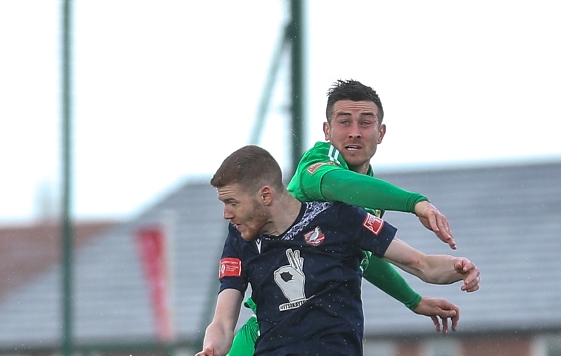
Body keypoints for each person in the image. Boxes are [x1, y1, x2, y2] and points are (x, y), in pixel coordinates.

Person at [226, 79, 466, 355]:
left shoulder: (367, 194)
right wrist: (416, 203)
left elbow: (364, 252)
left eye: (365, 123)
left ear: (381, 132)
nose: (354, 133)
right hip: (269, 333)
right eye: (344, 122)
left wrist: (413, 300)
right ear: (327, 130)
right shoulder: (318, 164)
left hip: (322, 338)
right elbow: (338, 183)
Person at [196, 145, 480, 356]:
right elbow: (222, 322)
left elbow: (422, 264)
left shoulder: (339, 219)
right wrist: (211, 348)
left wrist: (459, 268)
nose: (226, 214)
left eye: (232, 202)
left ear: (265, 195)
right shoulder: (240, 239)